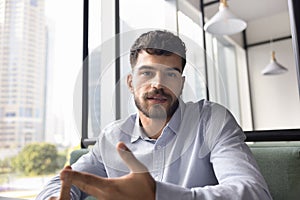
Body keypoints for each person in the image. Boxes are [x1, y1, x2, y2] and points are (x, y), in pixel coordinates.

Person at [36, 30, 272, 200]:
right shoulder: (112, 137)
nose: (158, 84)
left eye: (170, 74)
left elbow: (254, 192)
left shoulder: (211, 121)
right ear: (130, 82)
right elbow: (66, 180)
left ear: (181, 84)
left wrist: (157, 195)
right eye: (147, 73)